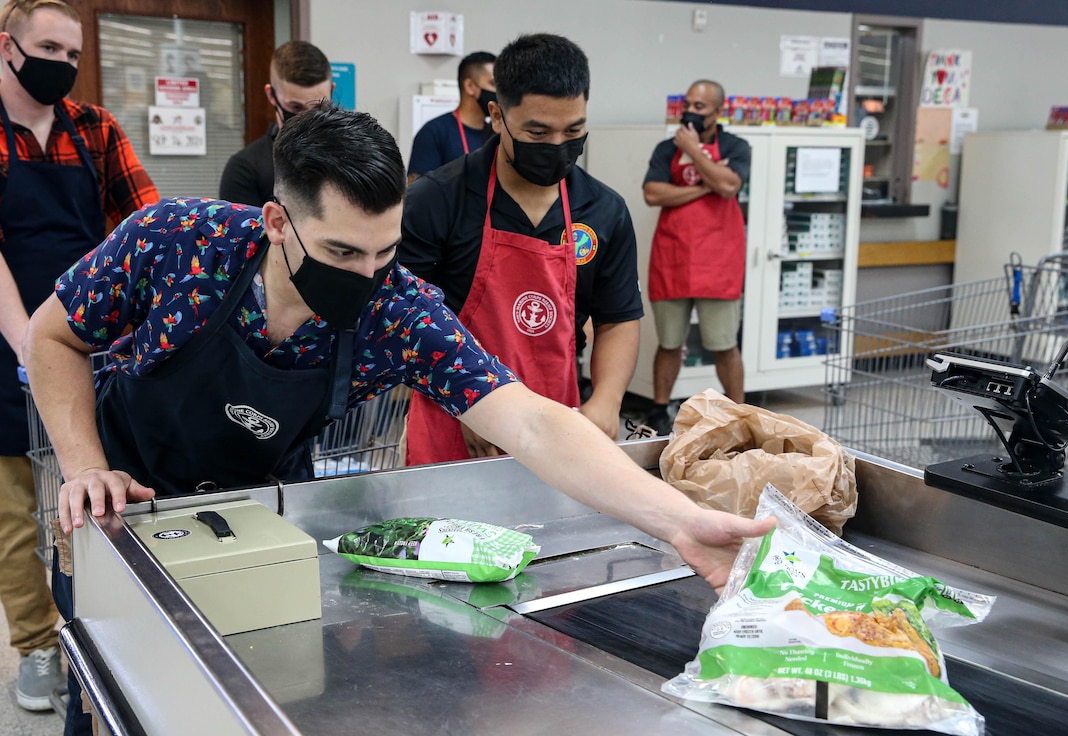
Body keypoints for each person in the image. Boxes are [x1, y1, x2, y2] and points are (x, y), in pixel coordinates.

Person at [24, 103, 773, 734]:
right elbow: (51, 334)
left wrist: (677, 520)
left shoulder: (400, 312)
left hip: (255, 517)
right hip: (117, 509)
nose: (365, 277)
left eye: (382, 253)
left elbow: (534, 424)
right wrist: (87, 466)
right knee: (113, 692)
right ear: (278, 220)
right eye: (342, 251)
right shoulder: (178, 243)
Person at [0, 0, 157, 717]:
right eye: (48, 48)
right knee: (17, 511)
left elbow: (146, 224)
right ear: (8, 46)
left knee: (93, 488)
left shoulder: (94, 129)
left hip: (93, 339)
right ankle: (37, 644)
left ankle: (100, 630)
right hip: (7, 342)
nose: (62, 64)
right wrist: (31, 346)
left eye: (72, 53)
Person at [399, 34, 642, 464]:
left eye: (574, 130)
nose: (557, 146)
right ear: (496, 115)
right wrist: (468, 400)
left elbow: (617, 318)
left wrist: (606, 399)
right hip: (455, 421)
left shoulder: (604, 211)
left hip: (559, 422)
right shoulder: (438, 200)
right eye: (537, 131)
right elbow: (405, 318)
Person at [642, 79, 751, 436]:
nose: (691, 112)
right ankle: (660, 408)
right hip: (673, 257)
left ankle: (741, 411)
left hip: (717, 259)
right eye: (687, 104)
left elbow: (729, 185)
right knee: (670, 341)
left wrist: (696, 151)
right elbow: (653, 193)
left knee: (724, 343)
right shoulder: (664, 149)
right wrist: (703, 186)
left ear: (718, 112)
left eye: (700, 107)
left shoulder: (736, 146)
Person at [218, 40, 333, 206]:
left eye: (318, 107)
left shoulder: (353, 156)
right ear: (271, 95)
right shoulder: (245, 169)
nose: (308, 118)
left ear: (332, 91)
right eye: (295, 106)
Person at [406, 50, 495, 184]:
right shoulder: (434, 132)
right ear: (470, 86)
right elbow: (415, 192)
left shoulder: (496, 134)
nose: (499, 91)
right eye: (493, 84)